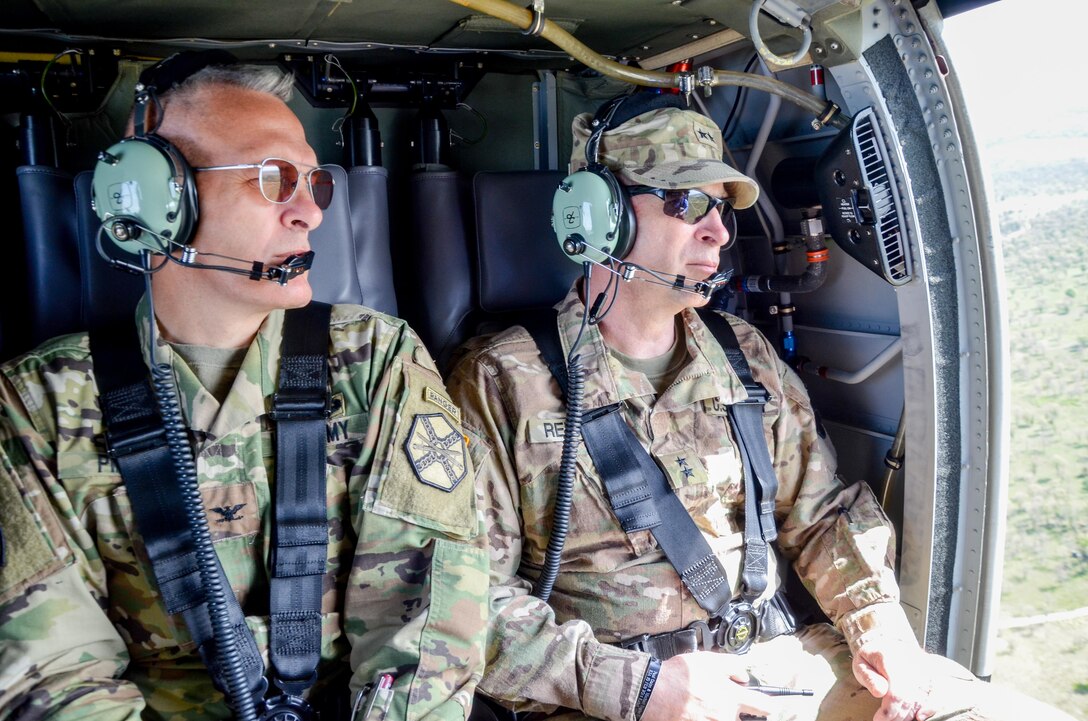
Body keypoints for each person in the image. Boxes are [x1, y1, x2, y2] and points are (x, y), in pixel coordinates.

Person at [446, 94, 1074, 721]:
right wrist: (637, 689)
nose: (718, 231)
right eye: (688, 202)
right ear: (602, 215)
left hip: (778, 667)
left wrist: (879, 625)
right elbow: (466, 603)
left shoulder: (743, 354)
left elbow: (822, 514)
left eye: (720, 207)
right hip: (616, 700)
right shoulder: (501, 380)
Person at [0, 55, 488, 721]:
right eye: (273, 179)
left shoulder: (376, 358)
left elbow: (427, 623)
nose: (308, 215)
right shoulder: (37, 406)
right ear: (160, 199)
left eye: (313, 184)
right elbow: (54, 679)